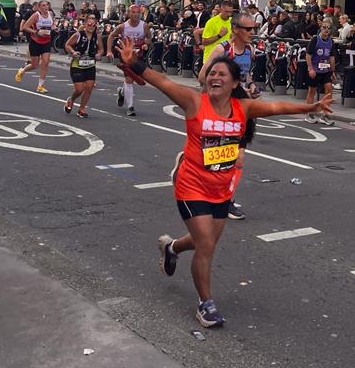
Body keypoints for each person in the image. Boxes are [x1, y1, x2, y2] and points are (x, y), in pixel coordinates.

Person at [113, 41, 331, 329]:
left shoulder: (243, 107)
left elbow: (277, 106)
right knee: (205, 244)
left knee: (206, 242)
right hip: (191, 184)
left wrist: (310, 106)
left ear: (235, 83)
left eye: (222, 75)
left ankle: (172, 248)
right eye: (211, 73)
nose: (214, 77)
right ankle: (206, 304)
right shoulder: (194, 102)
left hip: (223, 187)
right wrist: (135, 62)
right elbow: (162, 81)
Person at [199, 12, 262, 222]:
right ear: (236, 30)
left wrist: (251, 86)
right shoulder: (223, 50)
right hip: (221, 111)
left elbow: (246, 76)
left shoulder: (250, 50)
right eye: (248, 29)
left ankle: (227, 200)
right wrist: (222, 87)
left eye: (254, 28)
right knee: (216, 157)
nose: (252, 33)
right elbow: (202, 76)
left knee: (239, 157)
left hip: (241, 111)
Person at [106, 4, 152, 116]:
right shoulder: (123, 27)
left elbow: (149, 37)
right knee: (129, 79)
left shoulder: (144, 26)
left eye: (138, 13)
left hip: (138, 56)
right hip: (126, 56)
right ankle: (130, 107)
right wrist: (109, 51)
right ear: (128, 13)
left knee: (136, 78)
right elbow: (111, 36)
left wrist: (146, 44)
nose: (136, 15)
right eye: (133, 12)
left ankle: (122, 92)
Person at [65, 13, 101, 118]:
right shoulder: (78, 35)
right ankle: (71, 100)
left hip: (90, 64)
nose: (91, 27)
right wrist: (73, 52)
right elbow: (67, 45)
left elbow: (101, 49)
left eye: (93, 25)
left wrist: (99, 54)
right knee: (79, 89)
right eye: (89, 24)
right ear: (85, 24)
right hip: (77, 65)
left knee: (89, 87)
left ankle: (82, 109)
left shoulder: (97, 36)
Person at [15, 0, 55, 93]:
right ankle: (22, 70)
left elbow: (52, 24)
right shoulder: (36, 15)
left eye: (47, 5)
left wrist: (53, 27)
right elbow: (25, 27)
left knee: (46, 62)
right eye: (44, 6)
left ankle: (40, 85)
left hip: (46, 41)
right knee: (34, 65)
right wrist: (37, 32)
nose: (46, 7)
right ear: (39, 7)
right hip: (36, 41)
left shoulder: (50, 14)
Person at [304, 23, 336, 126]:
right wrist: (310, 69)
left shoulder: (331, 41)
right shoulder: (315, 40)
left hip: (326, 70)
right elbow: (308, 55)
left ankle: (325, 115)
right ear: (320, 29)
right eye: (324, 27)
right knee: (312, 91)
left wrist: (332, 71)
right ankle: (309, 113)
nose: (326, 30)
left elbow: (331, 57)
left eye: (329, 28)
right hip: (315, 70)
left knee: (329, 89)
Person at [198, 1, 234, 69]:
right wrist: (219, 35)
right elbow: (204, 42)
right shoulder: (211, 22)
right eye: (226, 11)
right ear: (220, 10)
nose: (229, 14)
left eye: (231, 12)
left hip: (226, 60)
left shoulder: (232, 22)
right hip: (211, 60)